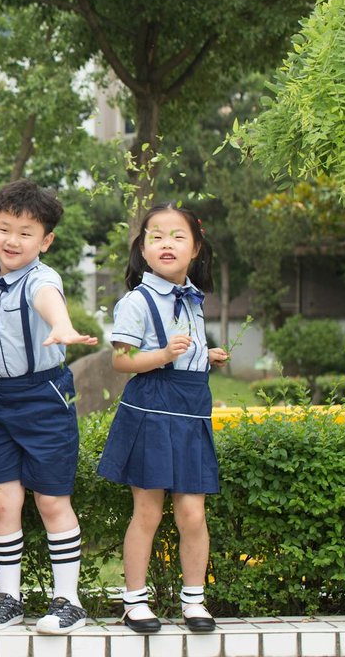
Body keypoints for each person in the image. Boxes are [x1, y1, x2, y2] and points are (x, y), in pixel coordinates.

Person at [0, 180, 99, 635]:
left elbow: (50, 303)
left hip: (44, 398)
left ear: (45, 241)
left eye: (25, 232)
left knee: (50, 499)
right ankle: (10, 598)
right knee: (3, 502)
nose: (12, 239)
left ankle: (69, 602)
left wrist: (63, 326)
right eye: (4, 228)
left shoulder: (43, 278)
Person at [98, 203, 228, 634]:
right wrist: (165, 355)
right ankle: (134, 601)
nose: (166, 244)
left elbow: (180, 350)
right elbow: (122, 361)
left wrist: (203, 356)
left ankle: (195, 601)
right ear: (143, 248)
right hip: (152, 407)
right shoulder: (136, 301)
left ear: (196, 248)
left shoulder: (193, 298)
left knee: (193, 514)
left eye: (177, 236)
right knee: (148, 512)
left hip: (192, 410)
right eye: (156, 236)